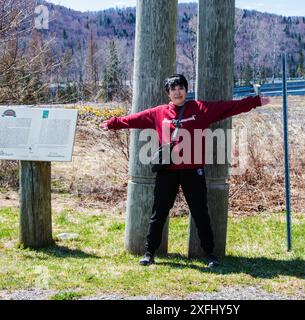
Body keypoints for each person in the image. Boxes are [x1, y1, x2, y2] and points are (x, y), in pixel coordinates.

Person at [100, 74, 270, 268]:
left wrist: (255, 101)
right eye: (173, 89)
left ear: (186, 90)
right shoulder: (159, 113)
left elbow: (227, 107)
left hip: (193, 171)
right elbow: (134, 120)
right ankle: (149, 252)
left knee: (200, 213)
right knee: (159, 212)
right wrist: (113, 123)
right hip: (167, 171)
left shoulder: (200, 109)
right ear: (168, 93)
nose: (177, 92)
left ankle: (210, 254)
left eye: (180, 88)